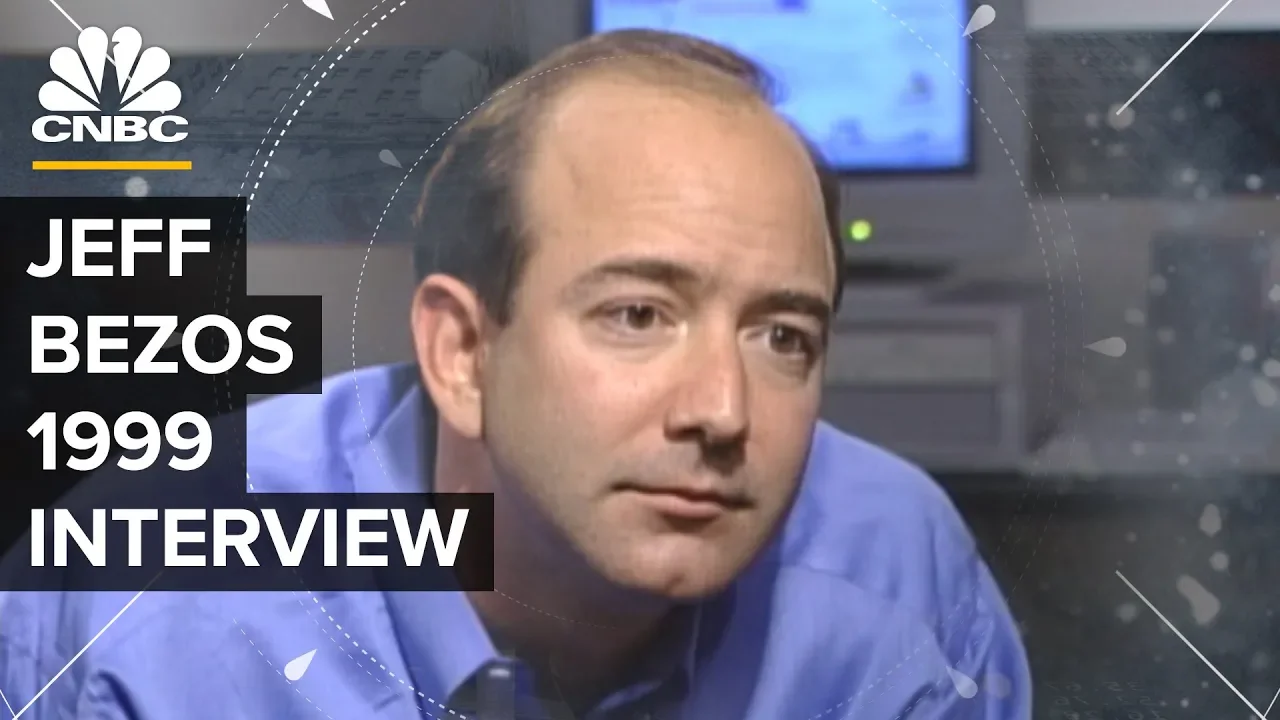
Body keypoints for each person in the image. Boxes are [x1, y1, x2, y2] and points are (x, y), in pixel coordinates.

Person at [0, 30, 1030, 719]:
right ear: (461, 352)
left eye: (782, 338)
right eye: (637, 316)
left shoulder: (900, 579)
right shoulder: (145, 611)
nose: (722, 411)